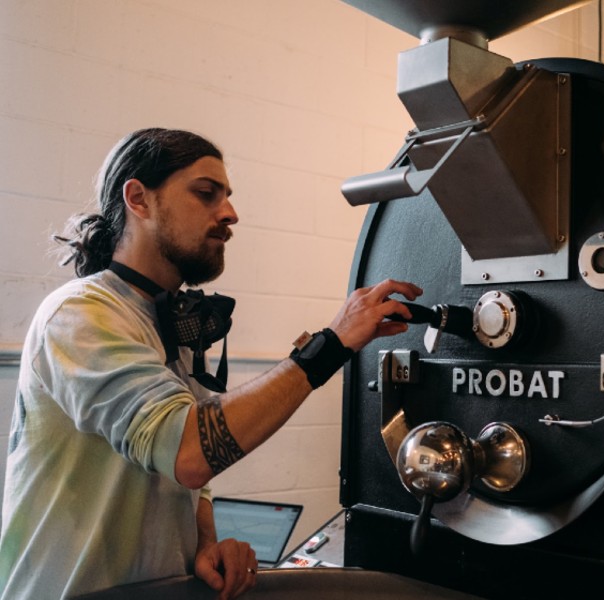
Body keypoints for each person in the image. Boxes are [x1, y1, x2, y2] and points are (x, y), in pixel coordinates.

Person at [0, 128, 422, 600]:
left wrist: (205, 543)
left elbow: (187, 479)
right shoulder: (82, 314)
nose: (229, 214)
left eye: (228, 197)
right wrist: (330, 345)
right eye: (206, 194)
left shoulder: (168, 320)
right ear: (139, 199)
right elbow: (190, 453)